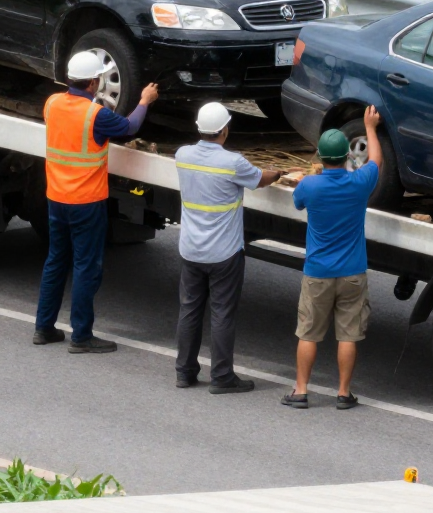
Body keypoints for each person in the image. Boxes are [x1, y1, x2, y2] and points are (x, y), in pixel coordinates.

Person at [34, 50, 159, 353]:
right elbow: (129, 128)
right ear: (93, 83)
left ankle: (44, 327)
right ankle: (81, 336)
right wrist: (144, 101)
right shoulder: (95, 115)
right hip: (86, 202)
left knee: (55, 261)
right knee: (86, 267)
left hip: (56, 197)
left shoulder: (52, 104)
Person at [174, 102, 280, 393]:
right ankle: (221, 377)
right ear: (224, 130)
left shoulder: (182, 155)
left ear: (199, 128)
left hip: (191, 250)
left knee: (190, 310)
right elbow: (260, 180)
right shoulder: (233, 162)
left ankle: (184, 372)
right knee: (222, 313)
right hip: (224, 254)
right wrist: (278, 173)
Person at [282, 106, 382, 409]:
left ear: (320, 157)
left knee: (309, 333)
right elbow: (376, 160)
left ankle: (301, 391)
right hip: (352, 271)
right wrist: (371, 128)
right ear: (348, 157)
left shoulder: (310, 186)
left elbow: (298, 202)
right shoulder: (359, 183)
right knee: (348, 335)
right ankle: (342, 393)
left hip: (318, 272)